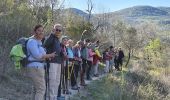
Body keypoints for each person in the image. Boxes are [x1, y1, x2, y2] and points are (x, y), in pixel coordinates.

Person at [26, 25, 56, 100]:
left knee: (37, 89)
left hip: (38, 67)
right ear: (34, 31)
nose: (41, 32)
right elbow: (37, 56)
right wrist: (49, 55)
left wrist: (47, 57)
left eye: (42, 31)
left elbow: (42, 55)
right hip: (35, 67)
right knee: (41, 89)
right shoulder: (32, 41)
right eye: (39, 30)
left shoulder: (38, 42)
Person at [43, 24, 65, 100]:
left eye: (59, 30)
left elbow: (58, 50)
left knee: (57, 82)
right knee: (52, 81)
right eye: (57, 29)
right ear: (53, 29)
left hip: (58, 62)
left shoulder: (57, 39)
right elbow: (45, 44)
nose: (58, 31)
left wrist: (63, 54)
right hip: (52, 62)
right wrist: (51, 34)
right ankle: (51, 98)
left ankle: (54, 97)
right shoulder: (51, 37)